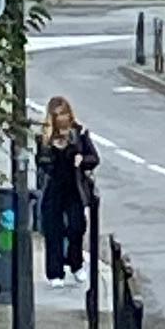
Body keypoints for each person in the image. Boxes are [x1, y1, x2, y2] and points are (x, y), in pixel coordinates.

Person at [35, 95, 100, 284]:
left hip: (74, 189)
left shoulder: (79, 133)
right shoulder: (45, 137)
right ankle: (55, 273)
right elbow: (41, 163)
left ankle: (76, 263)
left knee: (76, 227)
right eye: (57, 116)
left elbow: (94, 158)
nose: (61, 119)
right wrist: (51, 153)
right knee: (53, 230)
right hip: (53, 188)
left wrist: (82, 160)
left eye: (63, 114)